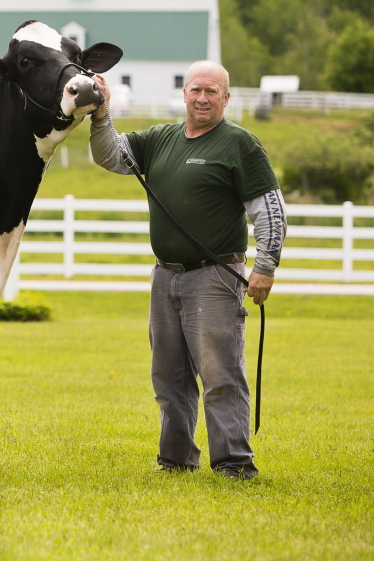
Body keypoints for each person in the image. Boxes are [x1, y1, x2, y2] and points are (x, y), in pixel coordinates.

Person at [90, 60, 287, 479]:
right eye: (196, 90)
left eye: (211, 92)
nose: (202, 98)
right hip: (165, 275)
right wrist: (102, 112)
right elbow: (109, 156)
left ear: (226, 98)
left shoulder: (240, 144)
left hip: (214, 276)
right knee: (169, 374)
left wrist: (265, 266)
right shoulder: (160, 138)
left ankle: (234, 463)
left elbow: (270, 211)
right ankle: (176, 459)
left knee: (219, 373)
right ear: (184, 93)